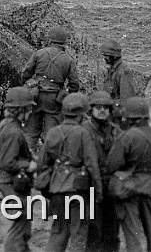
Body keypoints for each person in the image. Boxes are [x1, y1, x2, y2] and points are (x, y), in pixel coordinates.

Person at [37, 93, 102, 252]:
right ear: (81, 114)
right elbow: (92, 165)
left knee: (58, 232)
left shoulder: (52, 132)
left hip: (57, 189)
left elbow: (42, 164)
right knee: (78, 234)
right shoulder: (83, 133)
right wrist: (98, 191)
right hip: (78, 190)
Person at [106, 97, 151, 252]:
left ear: (130, 117)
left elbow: (112, 165)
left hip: (129, 189)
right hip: (150, 188)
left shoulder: (127, 136)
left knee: (132, 235)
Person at [0, 86, 38, 252]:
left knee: (24, 227)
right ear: (21, 110)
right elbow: (7, 162)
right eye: (29, 108)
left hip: (9, 182)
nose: (31, 111)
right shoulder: (13, 131)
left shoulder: (5, 125)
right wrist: (29, 165)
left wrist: (28, 154)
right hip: (13, 183)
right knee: (19, 227)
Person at [21, 25, 79, 152]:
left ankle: (26, 159)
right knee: (51, 134)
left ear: (49, 39)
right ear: (64, 42)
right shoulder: (68, 59)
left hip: (35, 95)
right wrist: (66, 97)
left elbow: (26, 73)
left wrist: (29, 86)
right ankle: (48, 162)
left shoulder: (39, 53)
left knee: (30, 132)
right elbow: (74, 84)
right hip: (54, 99)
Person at [84, 91, 122, 252]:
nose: (102, 110)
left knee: (112, 228)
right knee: (92, 227)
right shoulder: (83, 130)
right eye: (98, 107)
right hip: (90, 183)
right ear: (91, 109)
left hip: (111, 183)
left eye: (105, 107)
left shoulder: (115, 131)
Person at [100, 39, 136, 128]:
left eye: (107, 56)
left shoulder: (123, 72)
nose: (104, 58)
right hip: (112, 118)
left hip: (120, 122)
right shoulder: (112, 70)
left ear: (114, 56)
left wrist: (109, 103)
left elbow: (127, 101)